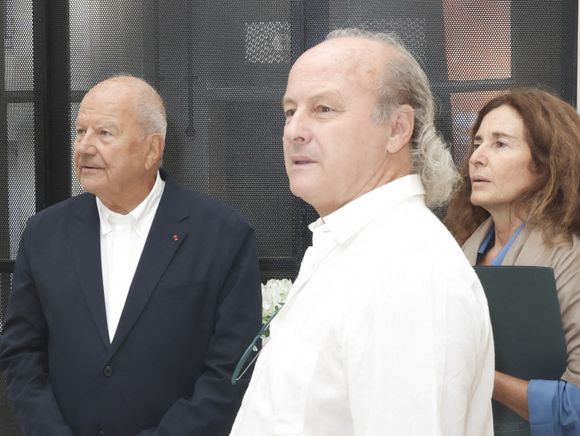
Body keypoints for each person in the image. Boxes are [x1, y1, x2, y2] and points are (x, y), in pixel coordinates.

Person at [230, 28, 495, 436]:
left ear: (397, 129)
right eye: (289, 110)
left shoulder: (410, 272)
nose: (294, 130)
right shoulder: (349, 246)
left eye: (323, 109)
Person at [0, 75, 262, 436]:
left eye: (104, 133)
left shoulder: (222, 235)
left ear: (152, 149)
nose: (84, 148)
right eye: (80, 132)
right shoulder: (43, 234)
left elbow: (231, 371)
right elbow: (21, 353)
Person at [445, 88, 580, 435]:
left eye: (500, 144)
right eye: (477, 143)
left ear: (547, 162)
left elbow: (576, 405)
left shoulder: (571, 257)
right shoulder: (457, 251)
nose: (476, 157)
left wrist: (477, 375)